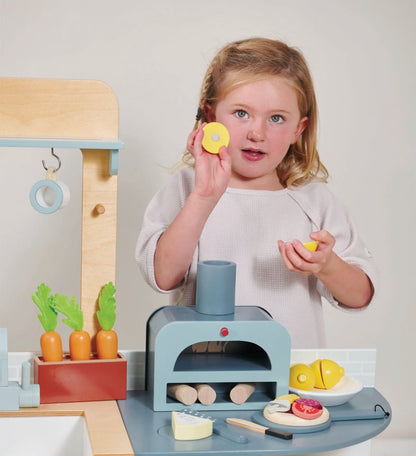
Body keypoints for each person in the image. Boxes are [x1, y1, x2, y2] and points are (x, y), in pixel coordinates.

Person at [136, 37, 376, 348]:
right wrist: (204, 198)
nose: (256, 133)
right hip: (201, 372)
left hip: (289, 380)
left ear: (298, 130)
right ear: (210, 117)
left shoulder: (315, 201)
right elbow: (162, 277)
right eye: (240, 113)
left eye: (276, 118)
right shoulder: (187, 188)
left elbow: (360, 296)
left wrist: (328, 266)